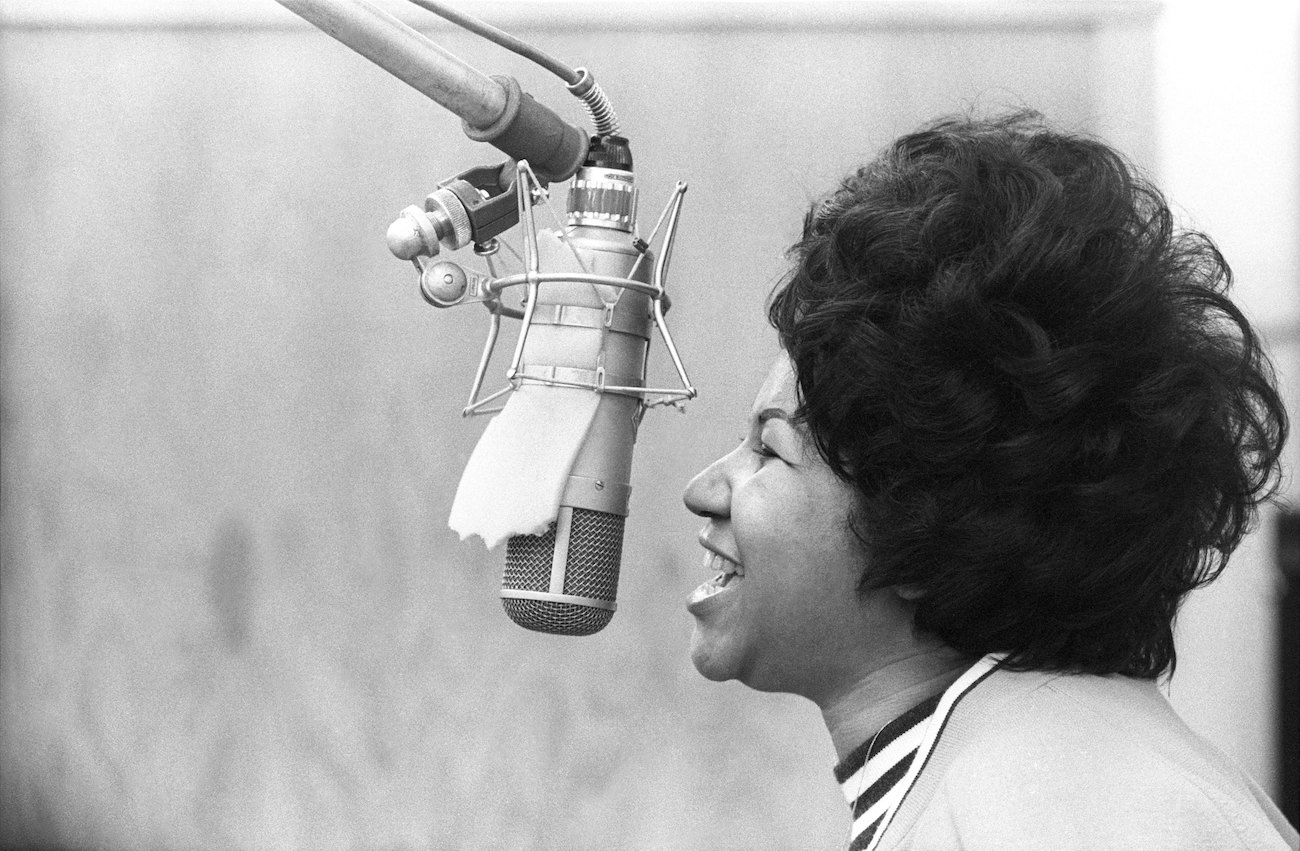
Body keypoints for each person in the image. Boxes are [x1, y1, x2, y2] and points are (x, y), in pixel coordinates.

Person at [682, 112, 1296, 850]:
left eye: (769, 451)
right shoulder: (1059, 769)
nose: (704, 490)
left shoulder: (1043, 806)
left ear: (921, 520)